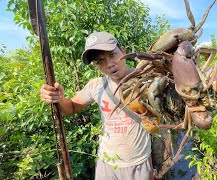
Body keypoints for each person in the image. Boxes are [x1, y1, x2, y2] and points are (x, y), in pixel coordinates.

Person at [40, 32, 153, 180]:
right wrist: (58, 98)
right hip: (106, 163)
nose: (109, 64)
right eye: (100, 61)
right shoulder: (97, 86)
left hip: (137, 164)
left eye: (112, 55)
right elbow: (72, 107)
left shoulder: (146, 79)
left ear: (124, 51)